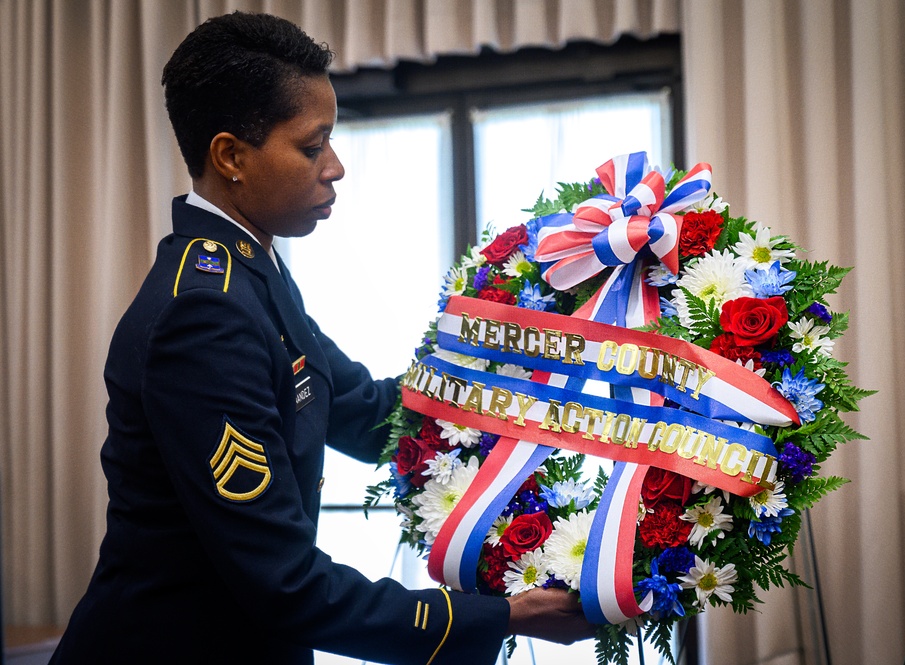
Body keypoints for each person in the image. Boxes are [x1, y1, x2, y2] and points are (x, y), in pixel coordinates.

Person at [49, 11, 591, 665]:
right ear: (230, 157)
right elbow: (286, 582)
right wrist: (504, 615)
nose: (335, 167)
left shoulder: (253, 272)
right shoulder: (206, 314)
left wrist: (527, 378)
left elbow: (368, 414)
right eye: (312, 146)